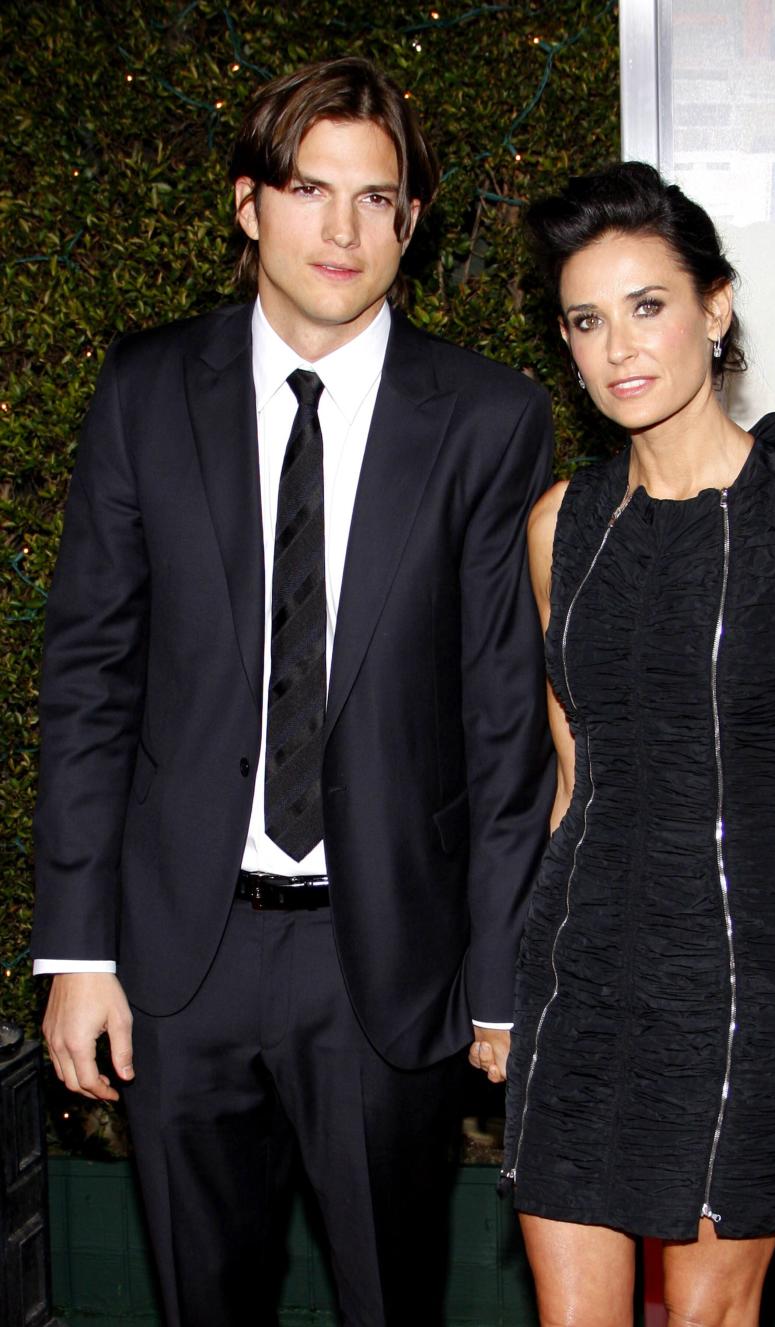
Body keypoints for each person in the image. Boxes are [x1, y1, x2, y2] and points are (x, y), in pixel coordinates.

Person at [32, 57, 554, 1327]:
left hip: (384, 957)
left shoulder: (488, 419)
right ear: (248, 205)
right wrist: (78, 950)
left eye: (377, 199)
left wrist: (499, 981)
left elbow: (503, 720)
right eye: (310, 189)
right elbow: (91, 678)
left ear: (410, 224)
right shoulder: (147, 390)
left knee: (392, 1301)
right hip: (175, 955)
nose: (342, 228)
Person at [499, 162, 775, 1327]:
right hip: (577, 980)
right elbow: (573, 775)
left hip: (739, 988)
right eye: (587, 319)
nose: (620, 347)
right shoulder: (558, 527)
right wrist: (512, 986)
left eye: (649, 305)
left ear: (714, 309)